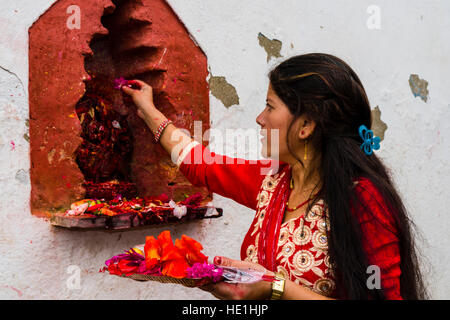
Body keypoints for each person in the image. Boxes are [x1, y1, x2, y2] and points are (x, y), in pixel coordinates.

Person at [122, 53, 427, 300]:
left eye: (270, 106)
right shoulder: (275, 182)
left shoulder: (363, 199)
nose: (260, 118)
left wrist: (275, 288)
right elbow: (200, 163)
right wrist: (147, 108)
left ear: (305, 125)